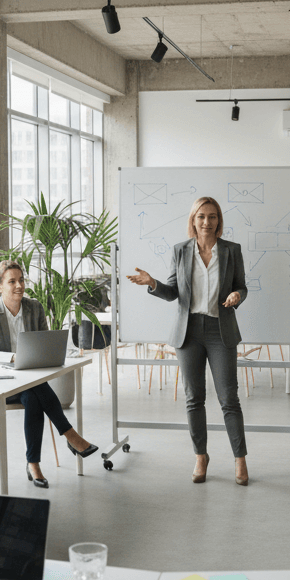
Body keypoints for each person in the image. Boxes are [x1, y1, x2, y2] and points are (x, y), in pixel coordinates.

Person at [126, 197, 250, 486]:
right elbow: (173, 294)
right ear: (193, 220)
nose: (207, 222)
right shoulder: (180, 251)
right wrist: (153, 283)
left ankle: (240, 458)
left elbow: (241, 285)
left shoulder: (232, 251)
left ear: (219, 220)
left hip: (221, 330)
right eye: (201, 216)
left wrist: (237, 296)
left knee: (229, 399)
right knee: (194, 398)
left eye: (213, 216)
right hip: (188, 332)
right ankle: (200, 456)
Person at [0, 260, 99, 489]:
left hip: (30, 382)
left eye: (21, 280)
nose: (19, 285)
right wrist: (13, 358)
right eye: (12, 281)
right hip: (4, 385)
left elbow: (44, 345)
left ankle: (34, 464)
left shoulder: (34, 308)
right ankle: (71, 436)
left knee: (33, 397)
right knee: (36, 392)